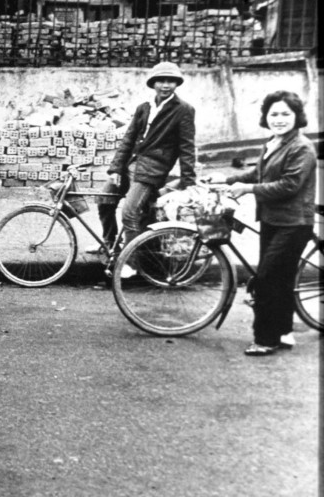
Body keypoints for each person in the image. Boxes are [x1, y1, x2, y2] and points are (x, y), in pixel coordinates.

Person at [212, 90, 317, 356]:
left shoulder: (301, 147)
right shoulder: (274, 142)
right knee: (280, 280)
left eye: (285, 114)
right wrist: (224, 180)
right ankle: (282, 331)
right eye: (274, 114)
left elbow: (289, 185)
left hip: (294, 223)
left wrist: (248, 190)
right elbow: (257, 173)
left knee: (267, 279)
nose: (279, 119)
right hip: (272, 219)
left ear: (297, 117)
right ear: (266, 117)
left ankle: (266, 338)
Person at [94, 61, 197, 277]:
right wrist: (115, 169)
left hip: (152, 171)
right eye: (161, 80)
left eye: (171, 81)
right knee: (104, 199)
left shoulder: (184, 110)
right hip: (131, 165)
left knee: (129, 212)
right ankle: (110, 245)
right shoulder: (144, 107)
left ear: (177, 83)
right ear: (153, 83)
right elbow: (129, 139)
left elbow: (187, 147)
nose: (166, 85)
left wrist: (188, 182)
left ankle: (130, 262)